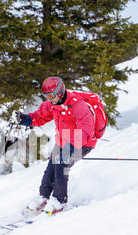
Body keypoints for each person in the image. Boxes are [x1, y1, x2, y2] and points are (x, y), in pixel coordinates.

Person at [10, 76, 100, 215]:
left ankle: (59, 201)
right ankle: (44, 197)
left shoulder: (77, 104)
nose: (49, 99)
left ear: (60, 91)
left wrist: (71, 147)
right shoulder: (53, 104)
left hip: (83, 142)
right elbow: (39, 117)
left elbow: (86, 128)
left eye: (51, 95)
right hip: (64, 141)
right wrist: (24, 119)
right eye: (47, 96)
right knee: (52, 166)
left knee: (61, 164)